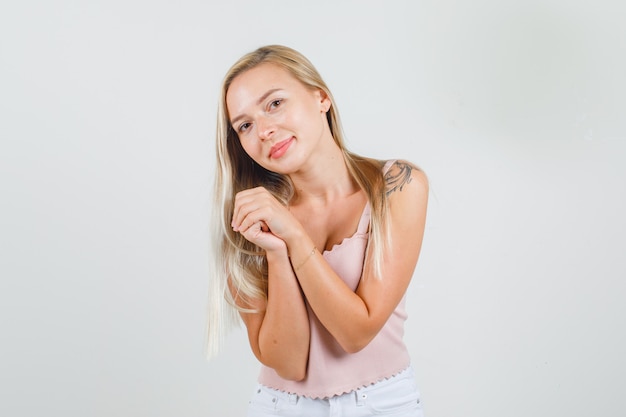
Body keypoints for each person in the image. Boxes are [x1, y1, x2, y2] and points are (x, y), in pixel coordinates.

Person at [207, 44, 429, 417]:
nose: (264, 130)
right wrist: (276, 252)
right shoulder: (250, 219)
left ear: (320, 97)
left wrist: (293, 235)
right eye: (244, 125)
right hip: (280, 407)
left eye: (274, 103)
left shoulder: (396, 185)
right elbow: (290, 364)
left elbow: (356, 333)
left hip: (383, 403)